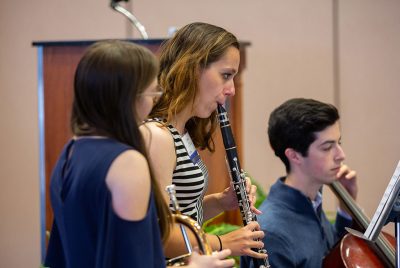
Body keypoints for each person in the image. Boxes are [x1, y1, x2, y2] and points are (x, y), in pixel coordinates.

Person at [44, 40, 235, 268]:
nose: (156, 99)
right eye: (152, 91)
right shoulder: (126, 162)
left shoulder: (72, 151)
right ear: (128, 96)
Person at [140, 22, 267, 260]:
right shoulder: (158, 136)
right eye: (225, 75)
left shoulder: (181, 132)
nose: (231, 90)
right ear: (192, 69)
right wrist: (223, 242)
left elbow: (185, 215)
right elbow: (158, 234)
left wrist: (221, 202)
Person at [241, 98, 358, 267]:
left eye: (338, 143)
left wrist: (346, 207)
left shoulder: (311, 201)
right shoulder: (273, 233)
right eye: (327, 147)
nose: (341, 155)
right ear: (294, 155)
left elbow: (334, 257)